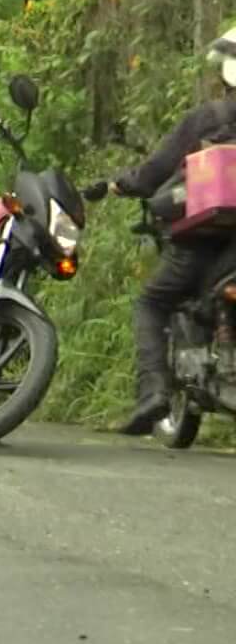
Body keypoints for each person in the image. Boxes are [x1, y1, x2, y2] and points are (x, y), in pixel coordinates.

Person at [107, 25, 236, 435]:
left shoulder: (207, 118)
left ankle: (153, 392)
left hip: (200, 245)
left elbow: (153, 174)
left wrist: (119, 183)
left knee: (150, 303)